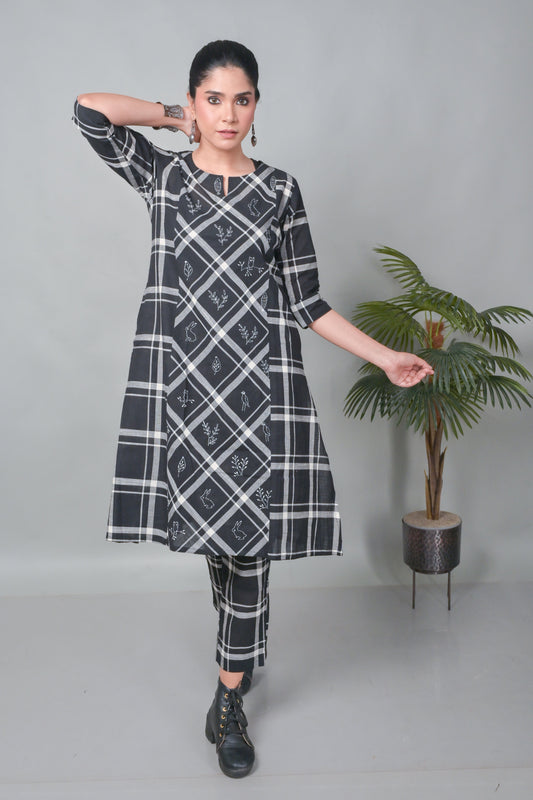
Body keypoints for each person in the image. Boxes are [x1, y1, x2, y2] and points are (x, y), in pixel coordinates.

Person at [73, 40, 433, 779]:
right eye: (213, 99)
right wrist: (170, 119)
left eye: (241, 99)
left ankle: (228, 699)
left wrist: (383, 357)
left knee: (247, 546)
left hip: (258, 394)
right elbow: (88, 112)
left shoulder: (279, 191)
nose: (228, 114)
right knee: (218, 545)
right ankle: (244, 643)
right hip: (182, 392)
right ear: (194, 103)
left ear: (257, 105)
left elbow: (308, 302)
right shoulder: (165, 178)